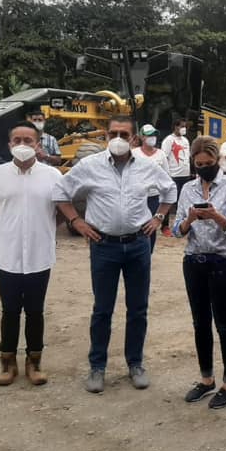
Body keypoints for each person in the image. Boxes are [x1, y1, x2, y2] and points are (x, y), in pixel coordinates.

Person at [54, 115, 177, 394]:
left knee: (138, 308)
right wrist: (77, 221)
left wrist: (158, 217)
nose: (118, 139)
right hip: (104, 246)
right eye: (113, 134)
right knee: (102, 309)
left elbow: (170, 190)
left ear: (134, 139)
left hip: (138, 244)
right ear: (106, 136)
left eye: (124, 134)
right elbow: (60, 192)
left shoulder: (147, 166)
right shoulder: (90, 165)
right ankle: (97, 367)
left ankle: (136, 363)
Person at [0, 122, 63, 386]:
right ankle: (7, 363)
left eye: (28, 140)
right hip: (7, 255)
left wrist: (43, 228)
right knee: (10, 310)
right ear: (9, 144)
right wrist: (8, 229)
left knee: (36, 311)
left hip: (40, 254)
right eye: (17, 140)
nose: (23, 145)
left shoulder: (52, 176)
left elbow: (61, 212)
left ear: (38, 144)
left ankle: (34, 361)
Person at [172, 136, 226, 409]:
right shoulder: (188, 189)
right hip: (194, 261)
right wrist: (190, 219)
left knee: (223, 324)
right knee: (200, 323)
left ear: (218, 160)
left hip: (224, 262)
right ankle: (206, 379)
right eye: (199, 164)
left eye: (209, 162)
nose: (204, 168)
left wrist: (216, 216)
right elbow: (177, 230)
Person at [133, 123, 170, 254]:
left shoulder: (161, 154)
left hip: (154, 197)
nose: (152, 137)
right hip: (137, 196)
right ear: (142, 137)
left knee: (151, 227)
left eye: (154, 135)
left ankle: (148, 253)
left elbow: (166, 176)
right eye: (149, 135)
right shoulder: (134, 153)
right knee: (136, 226)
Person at [160, 119, 190, 237]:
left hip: (185, 174)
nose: (184, 128)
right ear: (175, 127)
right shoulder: (169, 140)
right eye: (182, 126)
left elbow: (188, 157)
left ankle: (182, 225)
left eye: (185, 126)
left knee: (184, 201)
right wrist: (166, 174)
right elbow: (164, 157)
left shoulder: (185, 140)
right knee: (170, 200)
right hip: (173, 175)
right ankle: (165, 226)